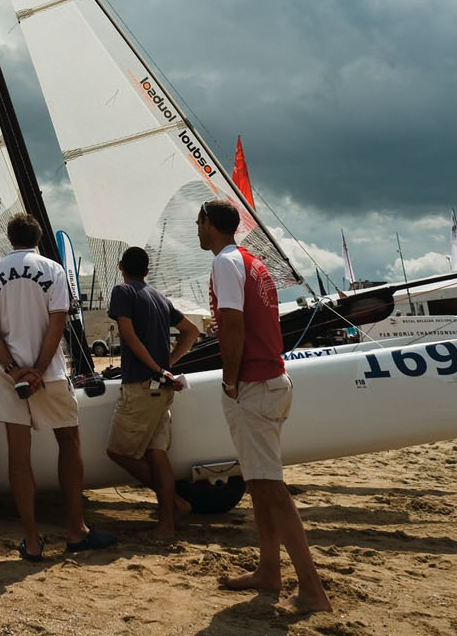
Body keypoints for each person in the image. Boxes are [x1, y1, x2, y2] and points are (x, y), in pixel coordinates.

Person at [198, 199, 331, 613]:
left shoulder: (225, 262)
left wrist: (231, 378)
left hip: (255, 382)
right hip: (272, 378)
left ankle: (311, 587)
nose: (196, 230)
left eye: (198, 223)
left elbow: (233, 325)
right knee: (258, 482)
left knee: (271, 488)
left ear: (210, 224)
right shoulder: (253, 262)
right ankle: (269, 569)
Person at [0, 215, 113, 560]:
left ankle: (33, 540)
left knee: (18, 455)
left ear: (10, 239)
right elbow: (58, 324)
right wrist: (38, 370)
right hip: (49, 373)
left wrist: (13, 370)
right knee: (69, 442)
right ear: (38, 237)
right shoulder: (53, 270)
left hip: (9, 377)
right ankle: (75, 530)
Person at [105, 245, 200, 539]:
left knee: (118, 452)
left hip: (142, 385)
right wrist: (167, 364)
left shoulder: (123, 292)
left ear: (121, 266)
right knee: (156, 455)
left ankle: (173, 505)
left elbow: (129, 337)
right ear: (147, 271)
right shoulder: (158, 296)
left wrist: (158, 369)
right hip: (160, 386)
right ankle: (167, 523)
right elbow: (192, 331)